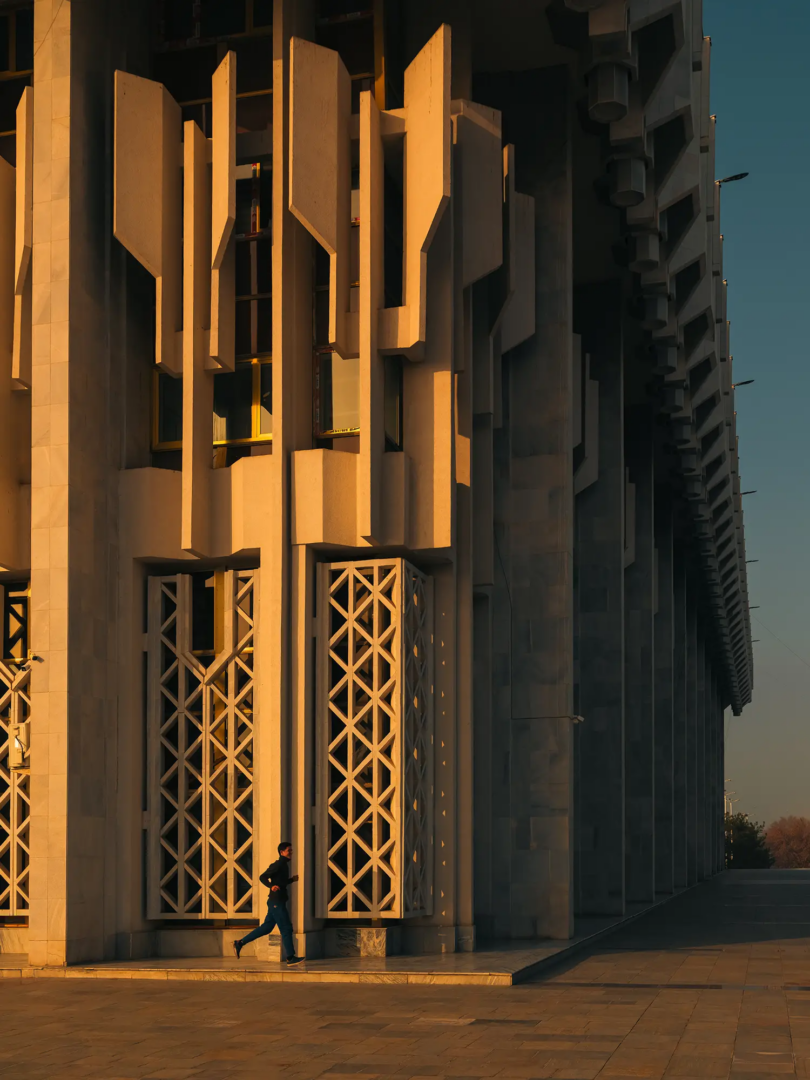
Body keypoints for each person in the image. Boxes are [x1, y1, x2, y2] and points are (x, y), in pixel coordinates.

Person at [233, 841, 304, 965]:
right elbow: (262, 877)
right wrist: (271, 886)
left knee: (266, 928)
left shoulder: (284, 865)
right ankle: (290, 957)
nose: (291, 852)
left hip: (276, 902)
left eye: (291, 850)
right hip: (277, 902)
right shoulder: (278, 864)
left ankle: (239, 943)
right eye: (289, 850)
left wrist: (291, 880)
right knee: (286, 928)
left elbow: (280, 882)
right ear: (282, 852)